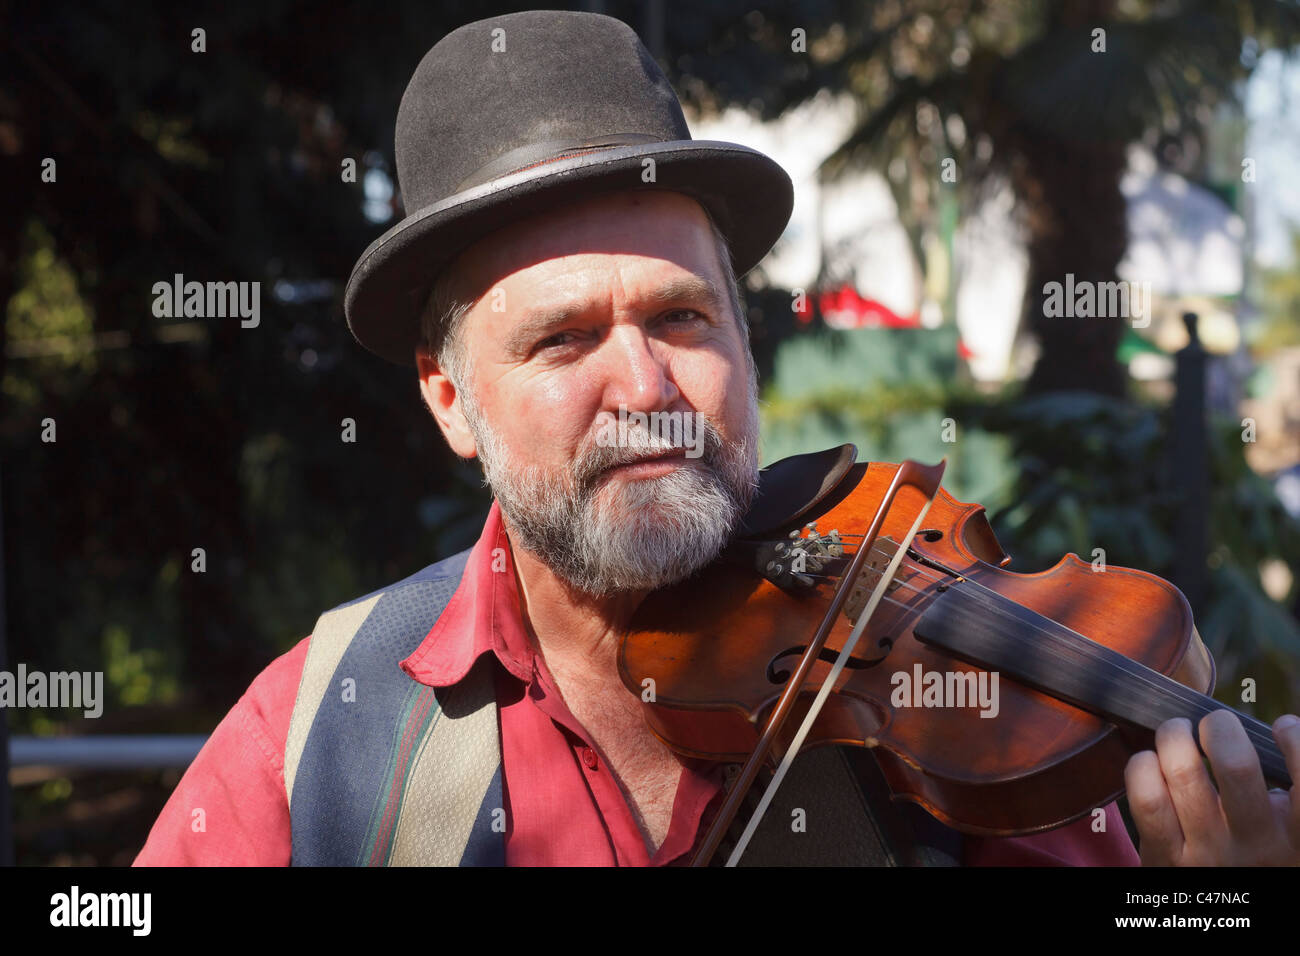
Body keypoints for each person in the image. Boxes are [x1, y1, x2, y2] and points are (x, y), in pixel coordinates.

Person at [135, 10, 1299, 867]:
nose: (645, 385)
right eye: (561, 340)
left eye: (683, 316)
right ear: (450, 400)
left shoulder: (966, 735)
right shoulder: (312, 738)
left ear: (745, 340)